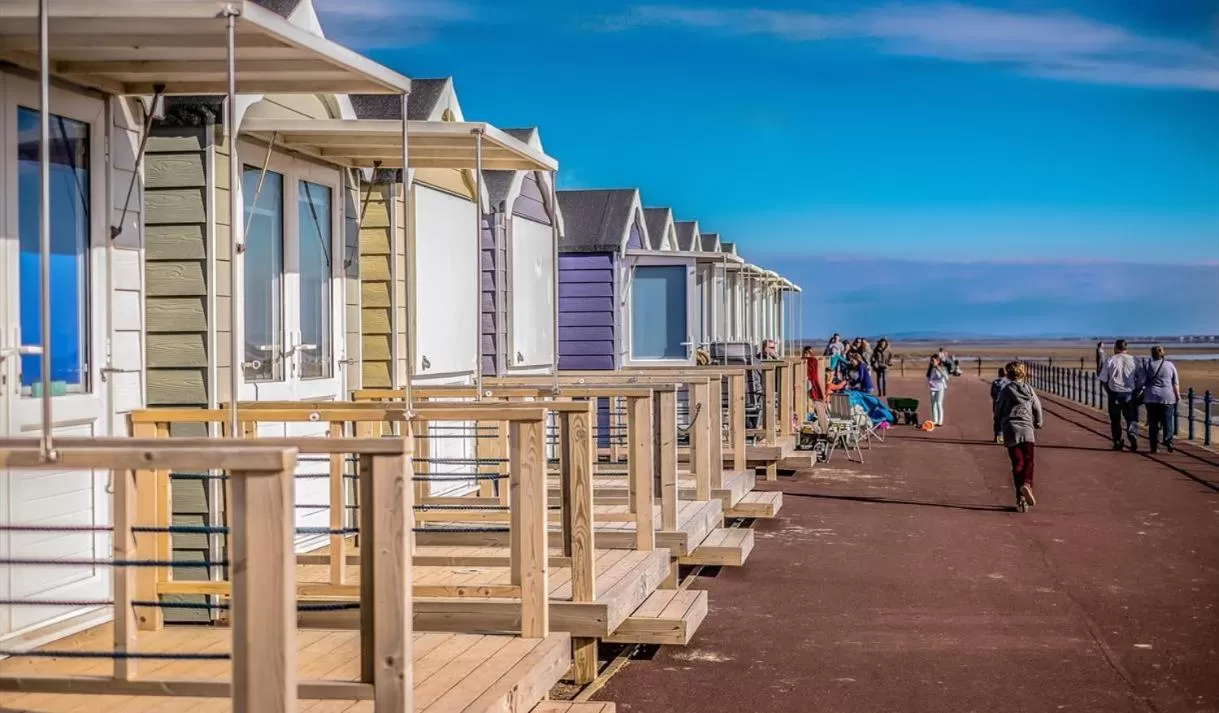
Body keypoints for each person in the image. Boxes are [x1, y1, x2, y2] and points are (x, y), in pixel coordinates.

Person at [993, 361, 1044, 512]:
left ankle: (1020, 497)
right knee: (1029, 461)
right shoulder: (1029, 389)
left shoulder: (1005, 390)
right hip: (1027, 427)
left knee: (1017, 462)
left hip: (1010, 428)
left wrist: (998, 423)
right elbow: (1037, 406)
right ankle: (1027, 484)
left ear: (1009, 374)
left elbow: (998, 408)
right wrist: (1039, 422)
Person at [1098, 339, 1140, 451]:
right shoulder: (1134, 360)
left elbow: (1103, 379)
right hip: (1129, 392)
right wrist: (1137, 389)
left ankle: (1117, 441)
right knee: (1131, 417)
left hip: (1115, 392)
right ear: (1126, 348)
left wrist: (1109, 391)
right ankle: (1132, 432)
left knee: (1115, 419)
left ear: (1116, 348)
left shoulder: (1110, 360)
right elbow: (1140, 377)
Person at [1142, 345, 1180, 454]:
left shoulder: (1148, 365)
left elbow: (1143, 380)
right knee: (1167, 421)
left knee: (1153, 423)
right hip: (1167, 397)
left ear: (1152, 354)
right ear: (1163, 353)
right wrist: (1177, 396)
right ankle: (1168, 440)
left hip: (1151, 397)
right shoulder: (1170, 365)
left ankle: (1154, 446)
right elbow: (1175, 382)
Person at [926, 355, 949, 426]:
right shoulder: (931, 368)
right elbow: (928, 377)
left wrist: (938, 368)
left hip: (940, 387)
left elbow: (946, 377)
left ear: (938, 361)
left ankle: (940, 421)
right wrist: (929, 382)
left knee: (939, 403)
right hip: (933, 387)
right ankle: (935, 420)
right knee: (933, 404)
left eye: (934, 361)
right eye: (931, 361)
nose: (932, 362)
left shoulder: (942, 368)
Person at [990, 367, 1010, 444]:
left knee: (997, 421)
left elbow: (992, 394)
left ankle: (998, 438)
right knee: (1006, 421)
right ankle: (1007, 438)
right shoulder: (1009, 383)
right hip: (1006, 405)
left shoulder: (995, 382)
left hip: (997, 404)